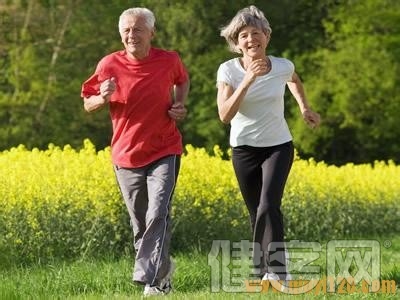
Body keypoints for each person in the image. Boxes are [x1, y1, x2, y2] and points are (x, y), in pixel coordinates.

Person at [81, 7, 190, 296]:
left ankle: (150, 281)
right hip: (126, 155)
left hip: (165, 148)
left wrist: (179, 105)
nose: (132, 35)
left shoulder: (169, 60)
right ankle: (163, 273)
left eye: (138, 29)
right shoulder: (108, 65)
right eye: (127, 30)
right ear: (121, 34)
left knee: (158, 212)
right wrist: (101, 98)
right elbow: (87, 103)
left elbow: (182, 80)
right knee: (141, 223)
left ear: (151, 33)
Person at [216, 5, 320, 283]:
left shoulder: (282, 66)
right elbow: (225, 115)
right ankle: (263, 272)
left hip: (279, 146)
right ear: (237, 44)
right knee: (256, 213)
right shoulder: (228, 71)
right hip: (244, 150)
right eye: (244, 36)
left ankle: (277, 272)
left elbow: (294, 81)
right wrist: (248, 79)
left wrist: (304, 107)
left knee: (268, 206)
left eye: (256, 33)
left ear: (267, 36)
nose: (251, 39)